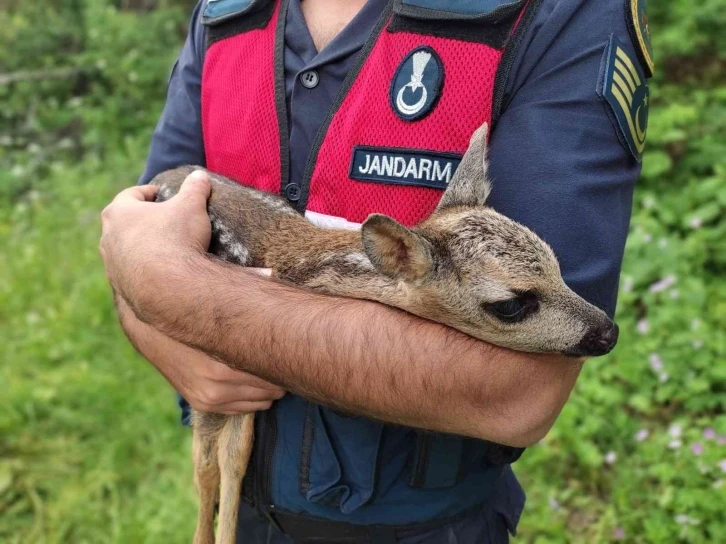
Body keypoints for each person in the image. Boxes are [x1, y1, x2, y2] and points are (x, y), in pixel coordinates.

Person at [99, 0, 652, 541]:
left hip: (423, 526)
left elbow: (518, 393)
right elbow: (141, 236)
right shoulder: (220, 12)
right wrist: (153, 326)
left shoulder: (563, 12)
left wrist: (186, 297)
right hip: (242, 507)